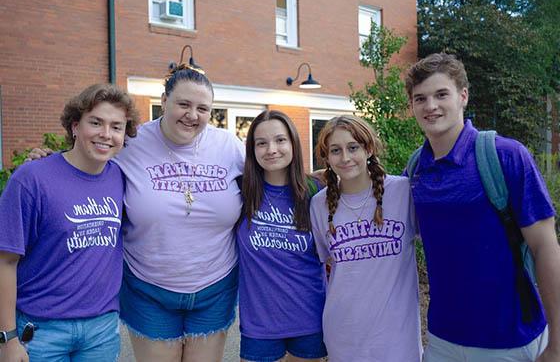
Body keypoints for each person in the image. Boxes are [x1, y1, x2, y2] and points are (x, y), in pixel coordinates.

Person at [405, 53, 560, 362]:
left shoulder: (505, 156)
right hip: (441, 340)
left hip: (510, 342)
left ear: (463, 96)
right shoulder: (416, 169)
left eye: (441, 94)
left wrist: (557, 345)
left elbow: (546, 247)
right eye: (420, 98)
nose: (430, 106)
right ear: (412, 106)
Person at [0, 83, 139, 361]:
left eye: (116, 126)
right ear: (75, 126)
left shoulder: (121, 178)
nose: (106, 134)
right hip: (41, 331)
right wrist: (7, 338)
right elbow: (5, 261)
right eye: (96, 122)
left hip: (101, 330)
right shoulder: (32, 180)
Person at [115, 64, 245, 362]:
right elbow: (87, 162)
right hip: (148, 288)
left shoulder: (230, 146)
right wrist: (46, 164)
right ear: (164, 101)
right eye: (183, 104)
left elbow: (276, 177)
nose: (193, 115)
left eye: (203, 108)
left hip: (215, 285)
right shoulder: (131, 144)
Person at [310, 115, 422, 362]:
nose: (345, 158)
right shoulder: (319, 205)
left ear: (368, 148)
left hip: (397, 338)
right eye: (335, 151)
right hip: (344, 334)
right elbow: (324, 263)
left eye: (353, 147)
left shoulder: (402, 192)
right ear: (327, 158)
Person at [236, 110, 327, 362]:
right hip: (259, 323)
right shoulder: (240, 191)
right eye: (261, 143)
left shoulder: (315, 191)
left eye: (280, 140)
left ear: (293, 143)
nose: (271, 149)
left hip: (309, 316)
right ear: (252, 149)